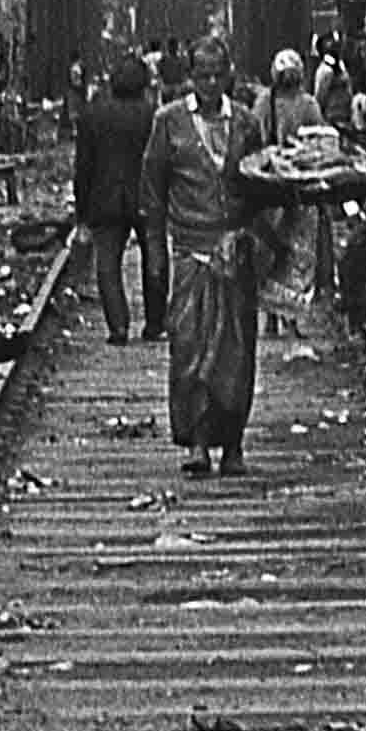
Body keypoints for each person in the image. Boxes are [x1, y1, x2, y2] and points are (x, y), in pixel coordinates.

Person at [146, 51, 264, 474]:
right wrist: (156, 253)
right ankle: (197, 441)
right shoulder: (168, 121)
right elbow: (153, 192)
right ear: (191, 77)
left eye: (218, 75)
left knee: (236, 349)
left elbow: (262, 181)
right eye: (203, 75)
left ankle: (233, 443)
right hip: (190, 251)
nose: (211, 83)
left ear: (229, 75)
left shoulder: (247, 123)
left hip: (237, 251)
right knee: (189, 345)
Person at [73, 57, 164, 346]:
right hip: (148, 199)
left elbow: (83, 166)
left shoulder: (92, 115)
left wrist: (81, 212)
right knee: (155, 261)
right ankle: (154, 323)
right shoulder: (155, 116)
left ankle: (118, 326)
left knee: (108, 264)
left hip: (105, 199)